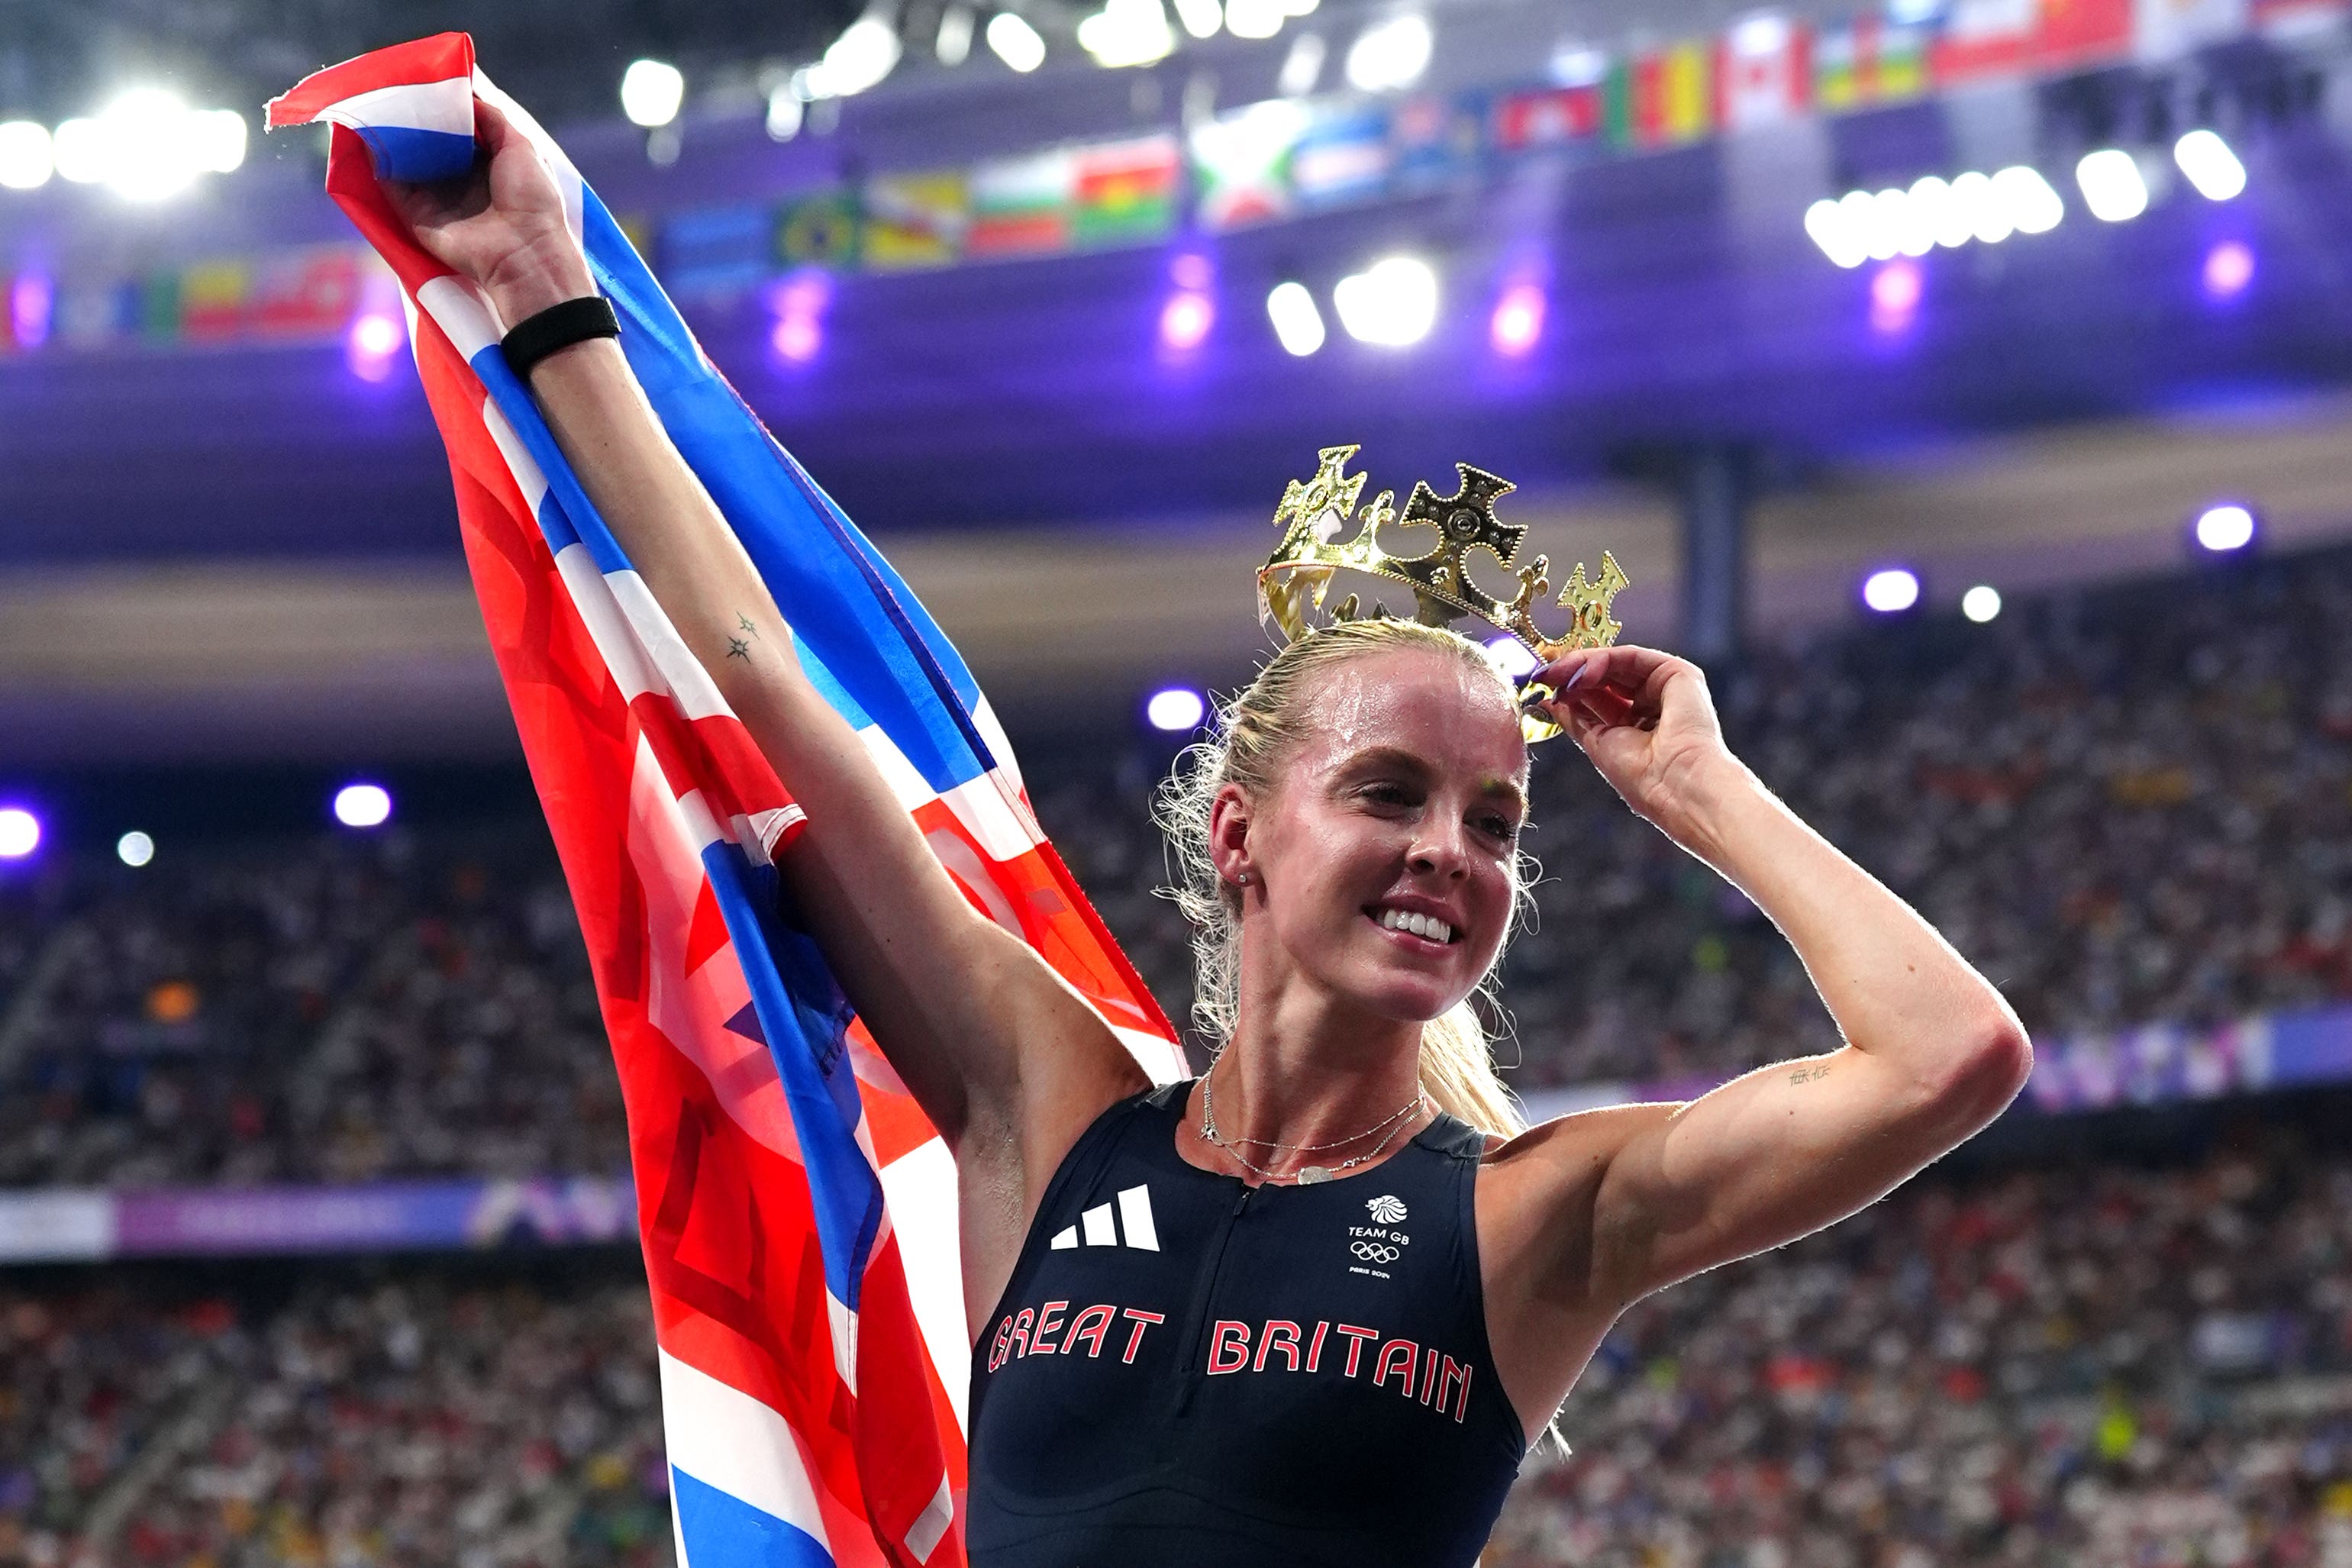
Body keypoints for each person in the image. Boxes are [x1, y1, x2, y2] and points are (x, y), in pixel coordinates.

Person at [391, 104, 2034, 1566]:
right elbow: (770, 682)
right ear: (1240, 833)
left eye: (1493, 821)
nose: (1450, 851)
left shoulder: (1529, 1216)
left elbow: (1944, 1055)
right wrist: (553, 300)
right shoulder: (1045, 1113)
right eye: (1388, 792)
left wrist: (1701, 795)